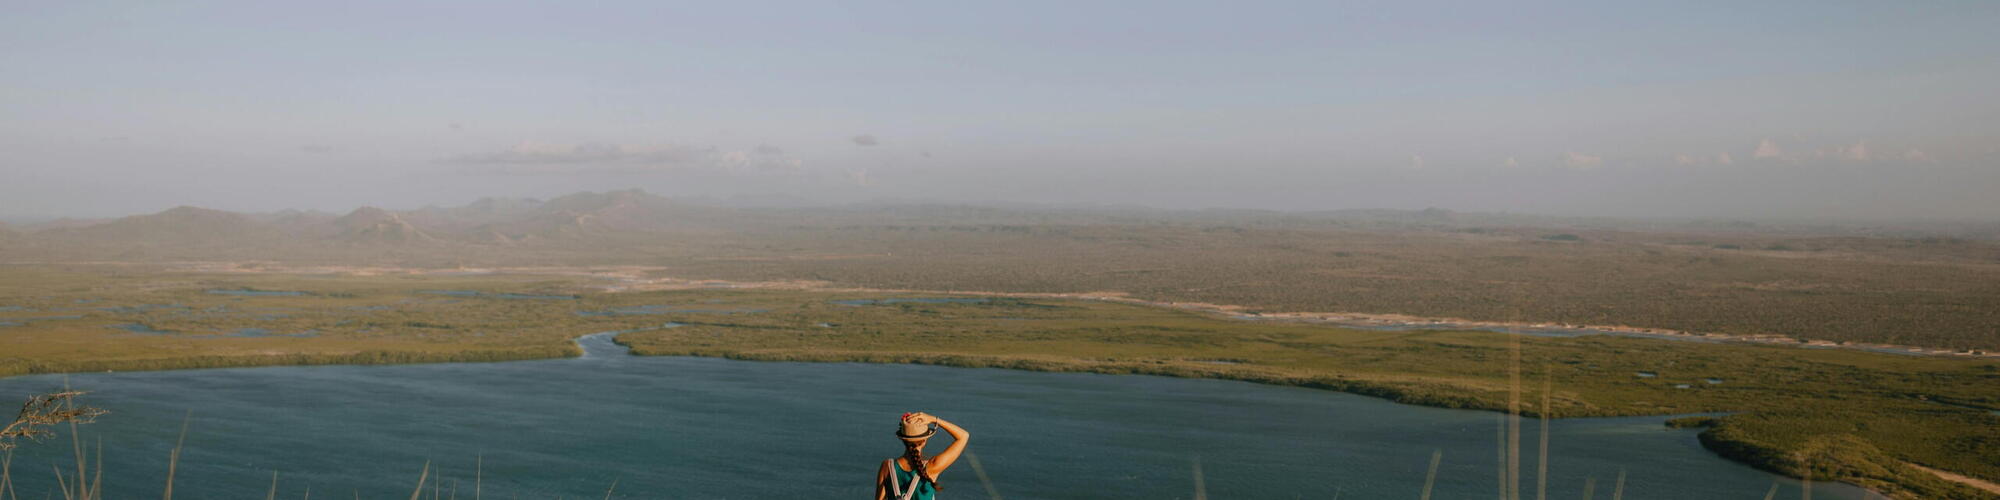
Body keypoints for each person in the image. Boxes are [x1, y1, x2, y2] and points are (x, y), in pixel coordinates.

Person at [875, 412, 969, 500]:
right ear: (924, 441)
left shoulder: (887, 466)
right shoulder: (932, 467)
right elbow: (964, 436)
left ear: (903, 440)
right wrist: (934, 419)